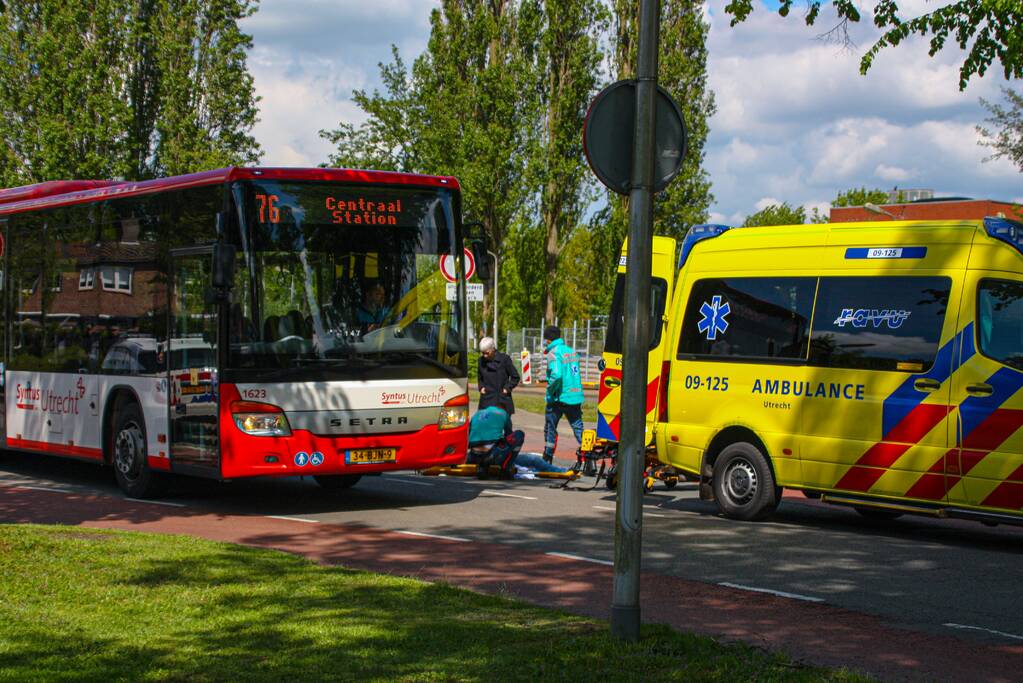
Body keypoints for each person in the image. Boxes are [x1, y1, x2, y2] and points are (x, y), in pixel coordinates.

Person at [467, 405, 569, 477]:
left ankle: (483, 467)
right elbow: (509, 436)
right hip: (493, 455)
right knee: (530, 455)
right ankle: (506, 469)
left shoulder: (477, 414)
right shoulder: (503, 413)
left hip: (473, 455)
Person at [541, 325, 584, 464]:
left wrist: (550, 391)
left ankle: (547, 457)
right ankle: (588, 458)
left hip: (559, 398)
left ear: (547, 339)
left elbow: (557, 375)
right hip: (575, 396)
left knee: (550, 428)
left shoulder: (554, 353)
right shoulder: (571, 351)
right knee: (578, 428)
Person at [477, 337, 519, 416]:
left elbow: (515, 377)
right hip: (486, 399)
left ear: (493, 349)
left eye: (487, 353)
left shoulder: (504, 359)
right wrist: (481, 387)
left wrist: (507, 388)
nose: (485, 356)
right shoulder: (480, 361)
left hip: (501, 399)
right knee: (486, 426)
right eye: (483, 353)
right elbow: (480, 377)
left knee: (503, 425)